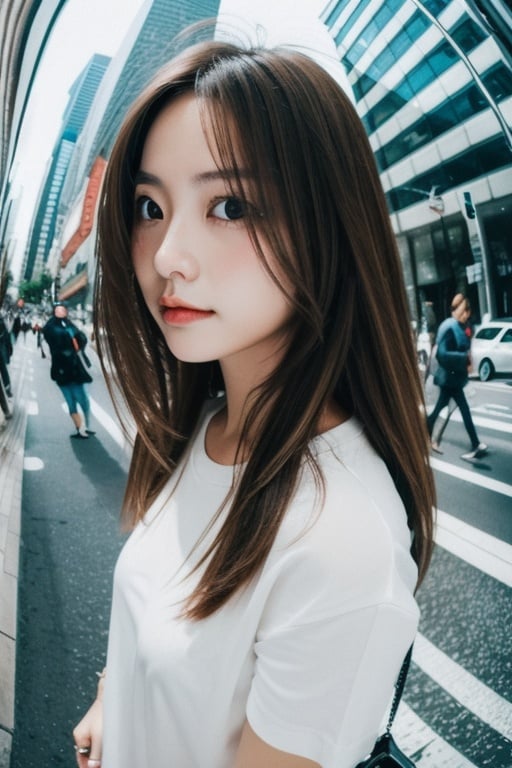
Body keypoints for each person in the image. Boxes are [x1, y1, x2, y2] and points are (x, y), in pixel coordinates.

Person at [73, 38, 435, 768]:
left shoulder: (342, 541)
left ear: (326, 225)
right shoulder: (202, 427)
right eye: (149, 205)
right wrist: (113, 700)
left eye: (229, 205)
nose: (169, 253)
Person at [427, 294, 487, 461]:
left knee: (440, 408)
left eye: (467, 310)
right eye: (464, 309)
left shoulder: (460, 326)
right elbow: (442, 353)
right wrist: (463, 358)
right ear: (457, 309)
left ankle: (425, 432)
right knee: (463, 409)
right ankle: (475, 444)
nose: (466, 314)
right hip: (449, 378)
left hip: (453, 378)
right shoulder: (449, 326)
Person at [43, 302, 94, 439]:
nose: (61, 312)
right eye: (58, 310)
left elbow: (81, 338)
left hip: (75, 368)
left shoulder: (69, 325)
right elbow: (54, 342)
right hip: (61, 369)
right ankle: (80, 428)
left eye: (63, 309)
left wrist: (77, 341)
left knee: (83, 399)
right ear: (54, 311)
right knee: (71, 400)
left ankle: (85, 427)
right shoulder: (50, 327)